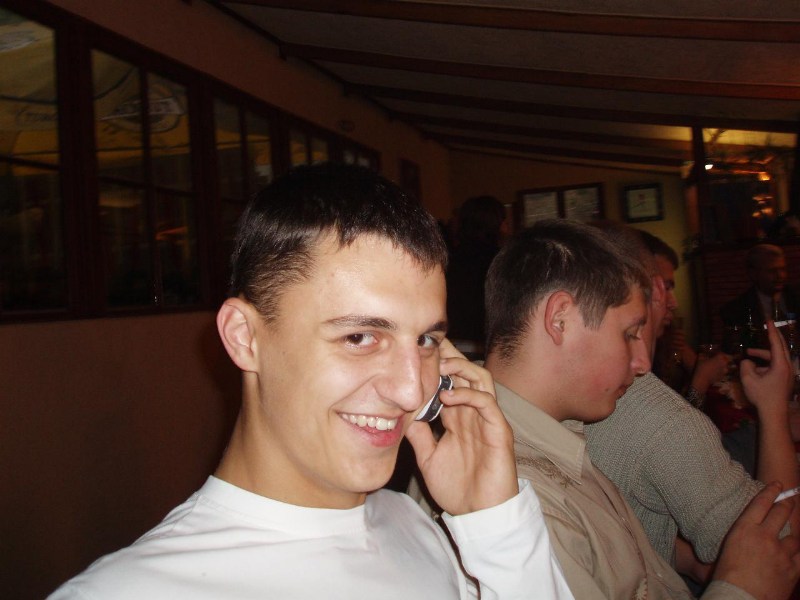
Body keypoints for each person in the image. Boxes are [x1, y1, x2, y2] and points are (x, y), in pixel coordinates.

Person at [49, 164, 572, 599]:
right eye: (360, 337)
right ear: (244, 338)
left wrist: (496, 522)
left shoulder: (419, 525)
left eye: (426, 340)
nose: (412, 392)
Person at [483, 219, 800, 599]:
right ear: (560, 318)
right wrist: (741, 588)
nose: (642, 364)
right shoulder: (515, 501)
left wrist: (677, 557)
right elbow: (782, 545)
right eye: (629, 333)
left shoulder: (559, 428)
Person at [584, 228, 799, 580]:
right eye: (664, 287)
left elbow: (636, 521)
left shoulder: (594, 383)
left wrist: (685, 559)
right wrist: (773, 409)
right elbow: (780, 545)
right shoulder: (649, 411)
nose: (671, 301)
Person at [445, 194, 508, 358]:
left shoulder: (448, 258)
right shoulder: (503, 261)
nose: (506, 227)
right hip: (489, 348)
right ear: (495, 223)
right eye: (503, 221)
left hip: (452, 345)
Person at [721, 243, 800, 329]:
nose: (780, 276)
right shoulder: (736, 310)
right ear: (753, 274)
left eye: (782, 269)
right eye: (772, 271)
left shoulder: (796, 297)